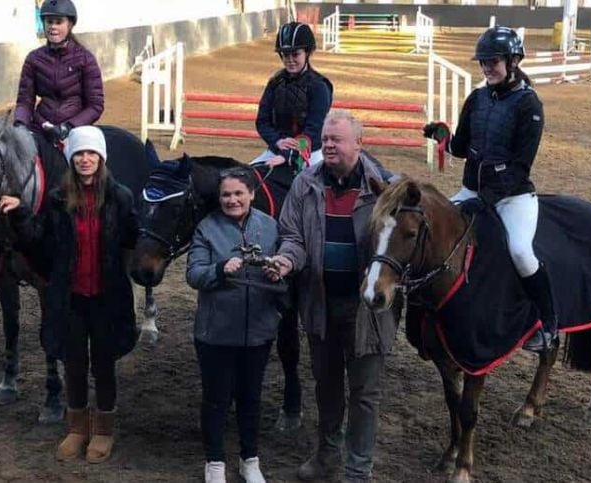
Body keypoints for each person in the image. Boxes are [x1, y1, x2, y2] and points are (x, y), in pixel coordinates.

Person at [268, 110, 399, 482]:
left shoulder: (386, 190)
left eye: (336, 139)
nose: (327, 144)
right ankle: (327, 455)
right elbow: (293, 236)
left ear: (359, 143)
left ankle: (358, 470)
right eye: (325, 138)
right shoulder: (304, 184)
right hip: (320, 303)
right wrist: (286, 260)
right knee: (326, 386)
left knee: (364, 393)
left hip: (368, 312)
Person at [0, 126, 138, 464]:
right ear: (71, 158)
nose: (85, 159)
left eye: (91, 153)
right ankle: (77, 428)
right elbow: (35, 238)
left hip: (107, 297)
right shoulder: (57, 201)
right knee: (74, 365)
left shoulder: (121, 197)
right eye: (79, 154)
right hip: (70, 298)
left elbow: (133, 238)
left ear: (101, 158)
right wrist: (18, 213)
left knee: (104, 366)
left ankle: (103, 430)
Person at [423, 26, 553, 353]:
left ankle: (548, 322)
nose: (486, 68)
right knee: (429, 228)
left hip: (513, 198)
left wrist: (488, 200)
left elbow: (521, 165)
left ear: (513, 61)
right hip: (472, 192)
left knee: (522, 252)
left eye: (492, 62)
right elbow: (463, 147)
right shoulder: (477, 98)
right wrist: (443, 137)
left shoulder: (530, 105)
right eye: (482, 62)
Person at [186, 167, 283, 483]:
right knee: (216, 398)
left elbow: (286, 270)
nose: (232, 200)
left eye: (239, 193)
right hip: (215, 333)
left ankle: (249, 459)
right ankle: (214, 462)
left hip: (258, 331)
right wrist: (219, 269)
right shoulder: (206, 228)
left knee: (251, 397)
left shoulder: (270, 228)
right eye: (226, 194)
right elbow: (194, 274)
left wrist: (277, 272)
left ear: (252, 194)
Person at [14, 0, 104, 162]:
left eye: (58, 22)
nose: (53, 27)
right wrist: (20, 124)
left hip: (75, 130)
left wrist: (68, 127)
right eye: (49, 22)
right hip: (41, 127)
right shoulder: (34, 59)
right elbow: (24, 101)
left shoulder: (85, 59)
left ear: (70, 24)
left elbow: (95, 105)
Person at [253, 21, 332, 179]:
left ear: (307, 53)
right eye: (285, 55)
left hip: (310, 152)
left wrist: (289, 155)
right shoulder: (275, 83)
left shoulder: (319, 87)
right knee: (243, 179)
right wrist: (277, 141)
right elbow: (262, 121)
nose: (289, 59)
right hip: (275, 150)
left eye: (295, 54)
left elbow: (313, 129)